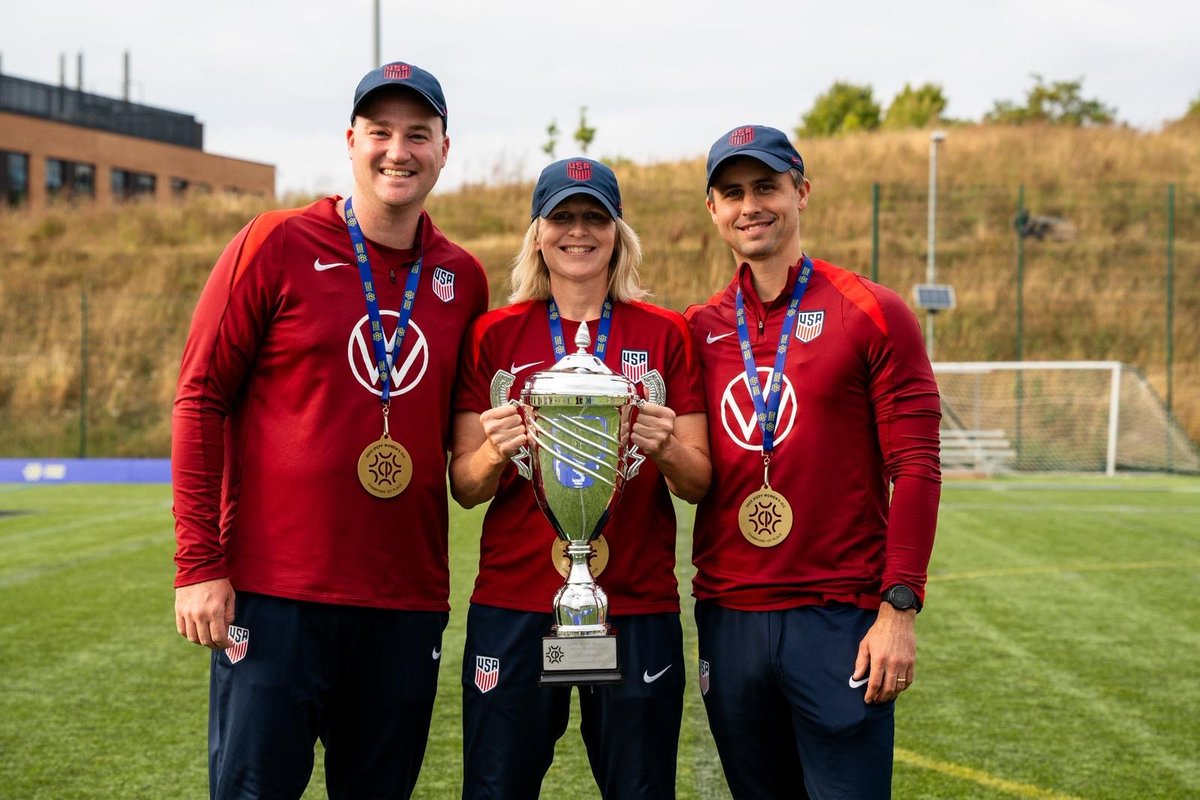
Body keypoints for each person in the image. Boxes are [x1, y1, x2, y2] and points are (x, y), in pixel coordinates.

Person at [171, 61, 488, 799]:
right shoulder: (274, 242)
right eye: (380, 132)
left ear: (445, 148)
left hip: (404, 602)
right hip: (277, 594)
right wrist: (198, 563)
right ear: (351, 141)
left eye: (418, 134)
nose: (397, 151)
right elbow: (199, 399)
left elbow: (465, 437)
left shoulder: (460, 278)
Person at [684, 125, 942, 799]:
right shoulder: (697, 330)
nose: (750, 206)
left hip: (839, 616)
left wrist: (899, 609)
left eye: (766, 186)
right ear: (713, 209)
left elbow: (914, 464)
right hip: (729, 613)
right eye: (732, 193)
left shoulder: (873, 312)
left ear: (801, 192)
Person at [449, 157, 711, 799]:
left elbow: (699, 480)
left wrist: (667, 445)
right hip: (514, 602)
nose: (579, 231)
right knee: (496, 787)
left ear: (617, 232)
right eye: (562, 216)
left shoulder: (666, 333)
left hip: (636, 600)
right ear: (537, 232)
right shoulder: (493, 335)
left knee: (641, 788)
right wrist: (493, 451)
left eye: (595, 217)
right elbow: (465, 484)